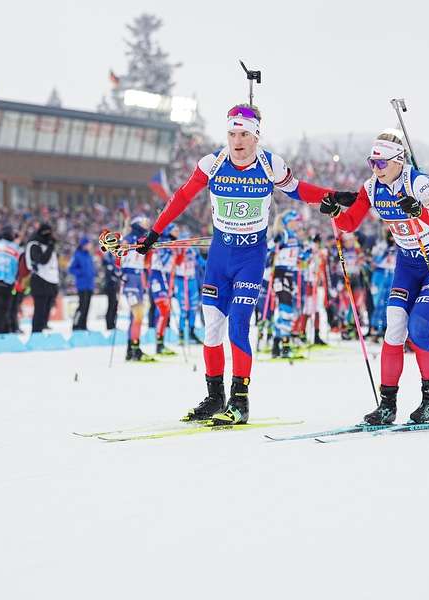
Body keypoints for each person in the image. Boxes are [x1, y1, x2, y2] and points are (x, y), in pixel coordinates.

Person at [133, 103, 333, 424]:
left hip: (250, 258)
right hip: (219, 257)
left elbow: (297, 190)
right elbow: (182, 197)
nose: (237, 141)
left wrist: (331, 195)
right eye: (231, 134)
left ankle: (240, 401)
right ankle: (215, 398)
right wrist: (154, 232)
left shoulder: (270, 164)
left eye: (243, 135)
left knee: (238, 325)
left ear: (256, 137)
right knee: (212, 328)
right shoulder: (212, 163)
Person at [321, 129, 429, 424]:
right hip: (407, 265)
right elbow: (349, 223)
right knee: (394, 329)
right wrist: (335, 212)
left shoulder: (418, 182)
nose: (376, 169)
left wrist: (420, 210)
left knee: (418, 327)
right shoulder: (371, 187)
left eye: (381, 163)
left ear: (398, 161)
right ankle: (387, 404)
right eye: (372, 162)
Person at [120, 216, 154, 361]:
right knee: (137, 315)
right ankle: (134, 349)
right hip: (130, 278)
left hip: (139, 277)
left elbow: (146, 263)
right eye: (144, 222)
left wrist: (150, 250)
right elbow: (119, 257)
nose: (147, 225)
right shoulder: (129, 238)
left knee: (136, 316)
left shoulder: (143, 239)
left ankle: (131, 349)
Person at [271, 210, 303, 358]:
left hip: (290, 275)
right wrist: (275, 243)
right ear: (289, 222)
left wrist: (309, 252)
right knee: (286, 310)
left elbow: (300, 256)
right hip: (280, 274)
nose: (297, 224)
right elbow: (269, 248)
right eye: (295, 221)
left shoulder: (294, 237)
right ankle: (285, 345)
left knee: (287, 310)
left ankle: (276, 344)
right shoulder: (283, 234)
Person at [148, 224, 179, 355]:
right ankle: (158, 344)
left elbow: (177, 263)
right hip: (158, 276)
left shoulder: (173, 243)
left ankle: (160, 343)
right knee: (163, 309)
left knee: (165, 311)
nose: (178, 232)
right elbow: (162, 260)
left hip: (167, 277)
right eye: (175, 230)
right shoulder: (163, 241)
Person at [25, 223, 59, 333]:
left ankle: (43, 327)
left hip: (51, 280)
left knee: (47, 307)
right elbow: (42, 260)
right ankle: (36, 331)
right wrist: (50, 247)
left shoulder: (47, 245)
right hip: (39, 280)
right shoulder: (34, 244)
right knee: (40, 308)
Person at [68, 236, 96, 331]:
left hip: (90, 285)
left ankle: (83, 325)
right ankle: (76, 325)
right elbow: (71, 269)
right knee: (82, 306)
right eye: (88, 244)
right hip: (82, 285)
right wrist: (81, 273)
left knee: (87, 306)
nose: (90, 246)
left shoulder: (89, 255)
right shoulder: (77, 255)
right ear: (84, 245)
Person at [101, 243, 123, 332]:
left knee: (115, 304)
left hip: (115, 285)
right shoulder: (108, 257)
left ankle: (112, 324)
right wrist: (114, 277)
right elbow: (108, 271)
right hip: (109, 285)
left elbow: (117, 269)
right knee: (111, 304)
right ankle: (109, 325)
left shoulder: (114, 256)